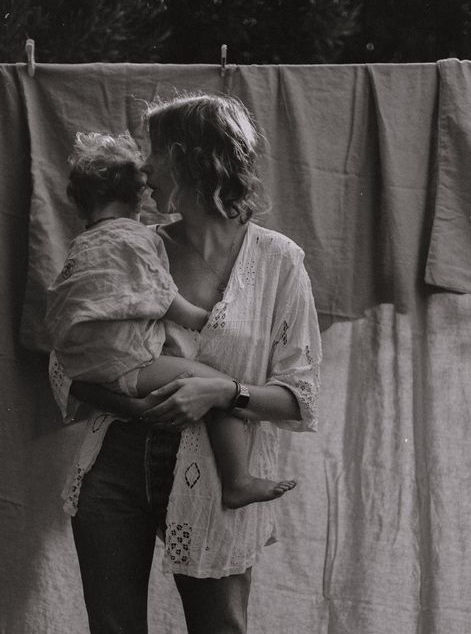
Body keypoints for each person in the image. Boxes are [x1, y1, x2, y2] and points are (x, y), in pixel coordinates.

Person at [49, 93, 321, 634]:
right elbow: (69, 363)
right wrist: (137, 402)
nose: (144, 168)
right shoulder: (125, 245)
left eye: (156, 151)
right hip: (116, 463)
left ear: (196, 157)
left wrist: (221, 394)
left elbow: (299, 396)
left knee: (220, 627)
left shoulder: (278, 262)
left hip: (218, 476)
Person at [47, 130, 296, 509]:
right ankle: (238, 481)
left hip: (89, 366)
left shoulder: (83, 246)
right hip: (128, 367)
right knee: (218, 384)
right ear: (135, 197)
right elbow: (163, 298)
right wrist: (207, 318)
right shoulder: (133, 239)